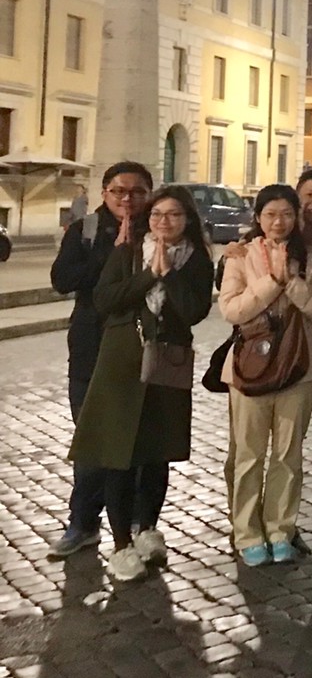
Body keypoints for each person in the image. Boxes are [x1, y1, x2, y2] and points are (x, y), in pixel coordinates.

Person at [67, 186, 214, 582]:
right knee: (119, 453)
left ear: (187, 221)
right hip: (122, 360)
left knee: (157, 450)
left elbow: (194, 311)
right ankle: (119, 544)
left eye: (174, 215)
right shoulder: (128, 253)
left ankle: (147, 527)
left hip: (168, 361)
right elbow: (105, 300)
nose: (164, 222)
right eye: (158, 215)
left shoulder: (198, 261)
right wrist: (151, 274)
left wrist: (171, 276)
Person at [218, 185, 312, 566]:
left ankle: (281, 529)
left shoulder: (310, 256)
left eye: (286, 214)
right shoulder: (240, 255)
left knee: (287, 454)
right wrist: (271, 282)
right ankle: (247, 532)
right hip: (249, 368)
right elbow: (232, 310)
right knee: (248, 455)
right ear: (258, 218)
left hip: (299, 366)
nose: (278, 222)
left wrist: (292, 281)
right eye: (270, 214)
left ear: (296, 217)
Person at [47, 162, 154, 559]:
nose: (128, 199)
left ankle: (139, 527)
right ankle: (83, 523)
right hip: (91, 347)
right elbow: (62, 279)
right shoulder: (85, 231)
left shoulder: (159, 228)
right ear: (104, 193)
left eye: (137, 191)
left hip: (139, 347)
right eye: (119, 191)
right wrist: (113, 255)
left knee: (139, 443)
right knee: (90, 439)